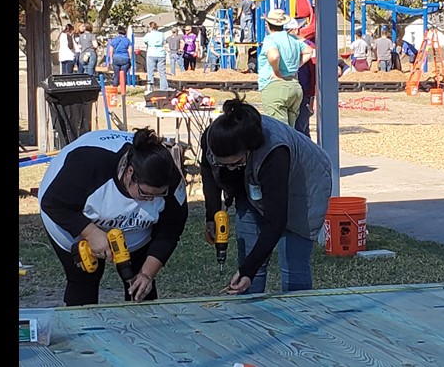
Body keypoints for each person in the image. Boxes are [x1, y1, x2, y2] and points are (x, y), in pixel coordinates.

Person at [38, 127, 189, 306]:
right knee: (85, 278)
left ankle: (145, 328)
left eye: (158, 195)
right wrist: (91, 232)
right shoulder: (88, 163)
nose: (150, 200)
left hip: (136, 230)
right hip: (72, 219)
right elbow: (52, 202)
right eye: (144, 193)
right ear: (129, 172)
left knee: (140, 285)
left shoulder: (170, 177)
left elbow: (170, 230)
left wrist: (147, 274)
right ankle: (82, 330)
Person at [200, 93, 332, 295]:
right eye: (223, 163)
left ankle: (301, 315)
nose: (231, 169)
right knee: (250, 254)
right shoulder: (213, 138)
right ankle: (248, 320)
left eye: (236, 163)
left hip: (304, 184)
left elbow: (276, 221)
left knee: (293, 263)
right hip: (251, 185)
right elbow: (208, 169)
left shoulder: (274, 153)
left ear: (249, 149)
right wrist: (212, 214)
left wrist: (248, 271)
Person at [257, 9, 314, 126]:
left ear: (268, 24)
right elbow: (309, 51)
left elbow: (274, 56)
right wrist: (296, 66)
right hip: (294, 86)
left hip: (275, 86)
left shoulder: (270, 39)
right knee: (291, 130)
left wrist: (276, 71)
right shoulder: (292, 39)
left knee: (279, 130)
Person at [286, 20, 316, 137]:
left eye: (287, 30)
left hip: (304, 92)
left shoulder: (310, 48)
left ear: (296, 30)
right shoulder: (287, 45)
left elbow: (314, 73)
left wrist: (313, 96)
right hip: (292, 89)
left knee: (300, 128)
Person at [143, 21, 168, 91]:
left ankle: (150, 88)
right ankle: (164, 88)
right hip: (161, 53)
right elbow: (164, 41)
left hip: (151, 53)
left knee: (150, 72)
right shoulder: (161, 34)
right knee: (162, 72)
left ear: (150, 27)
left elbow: (145, 41)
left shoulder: (149, 34)